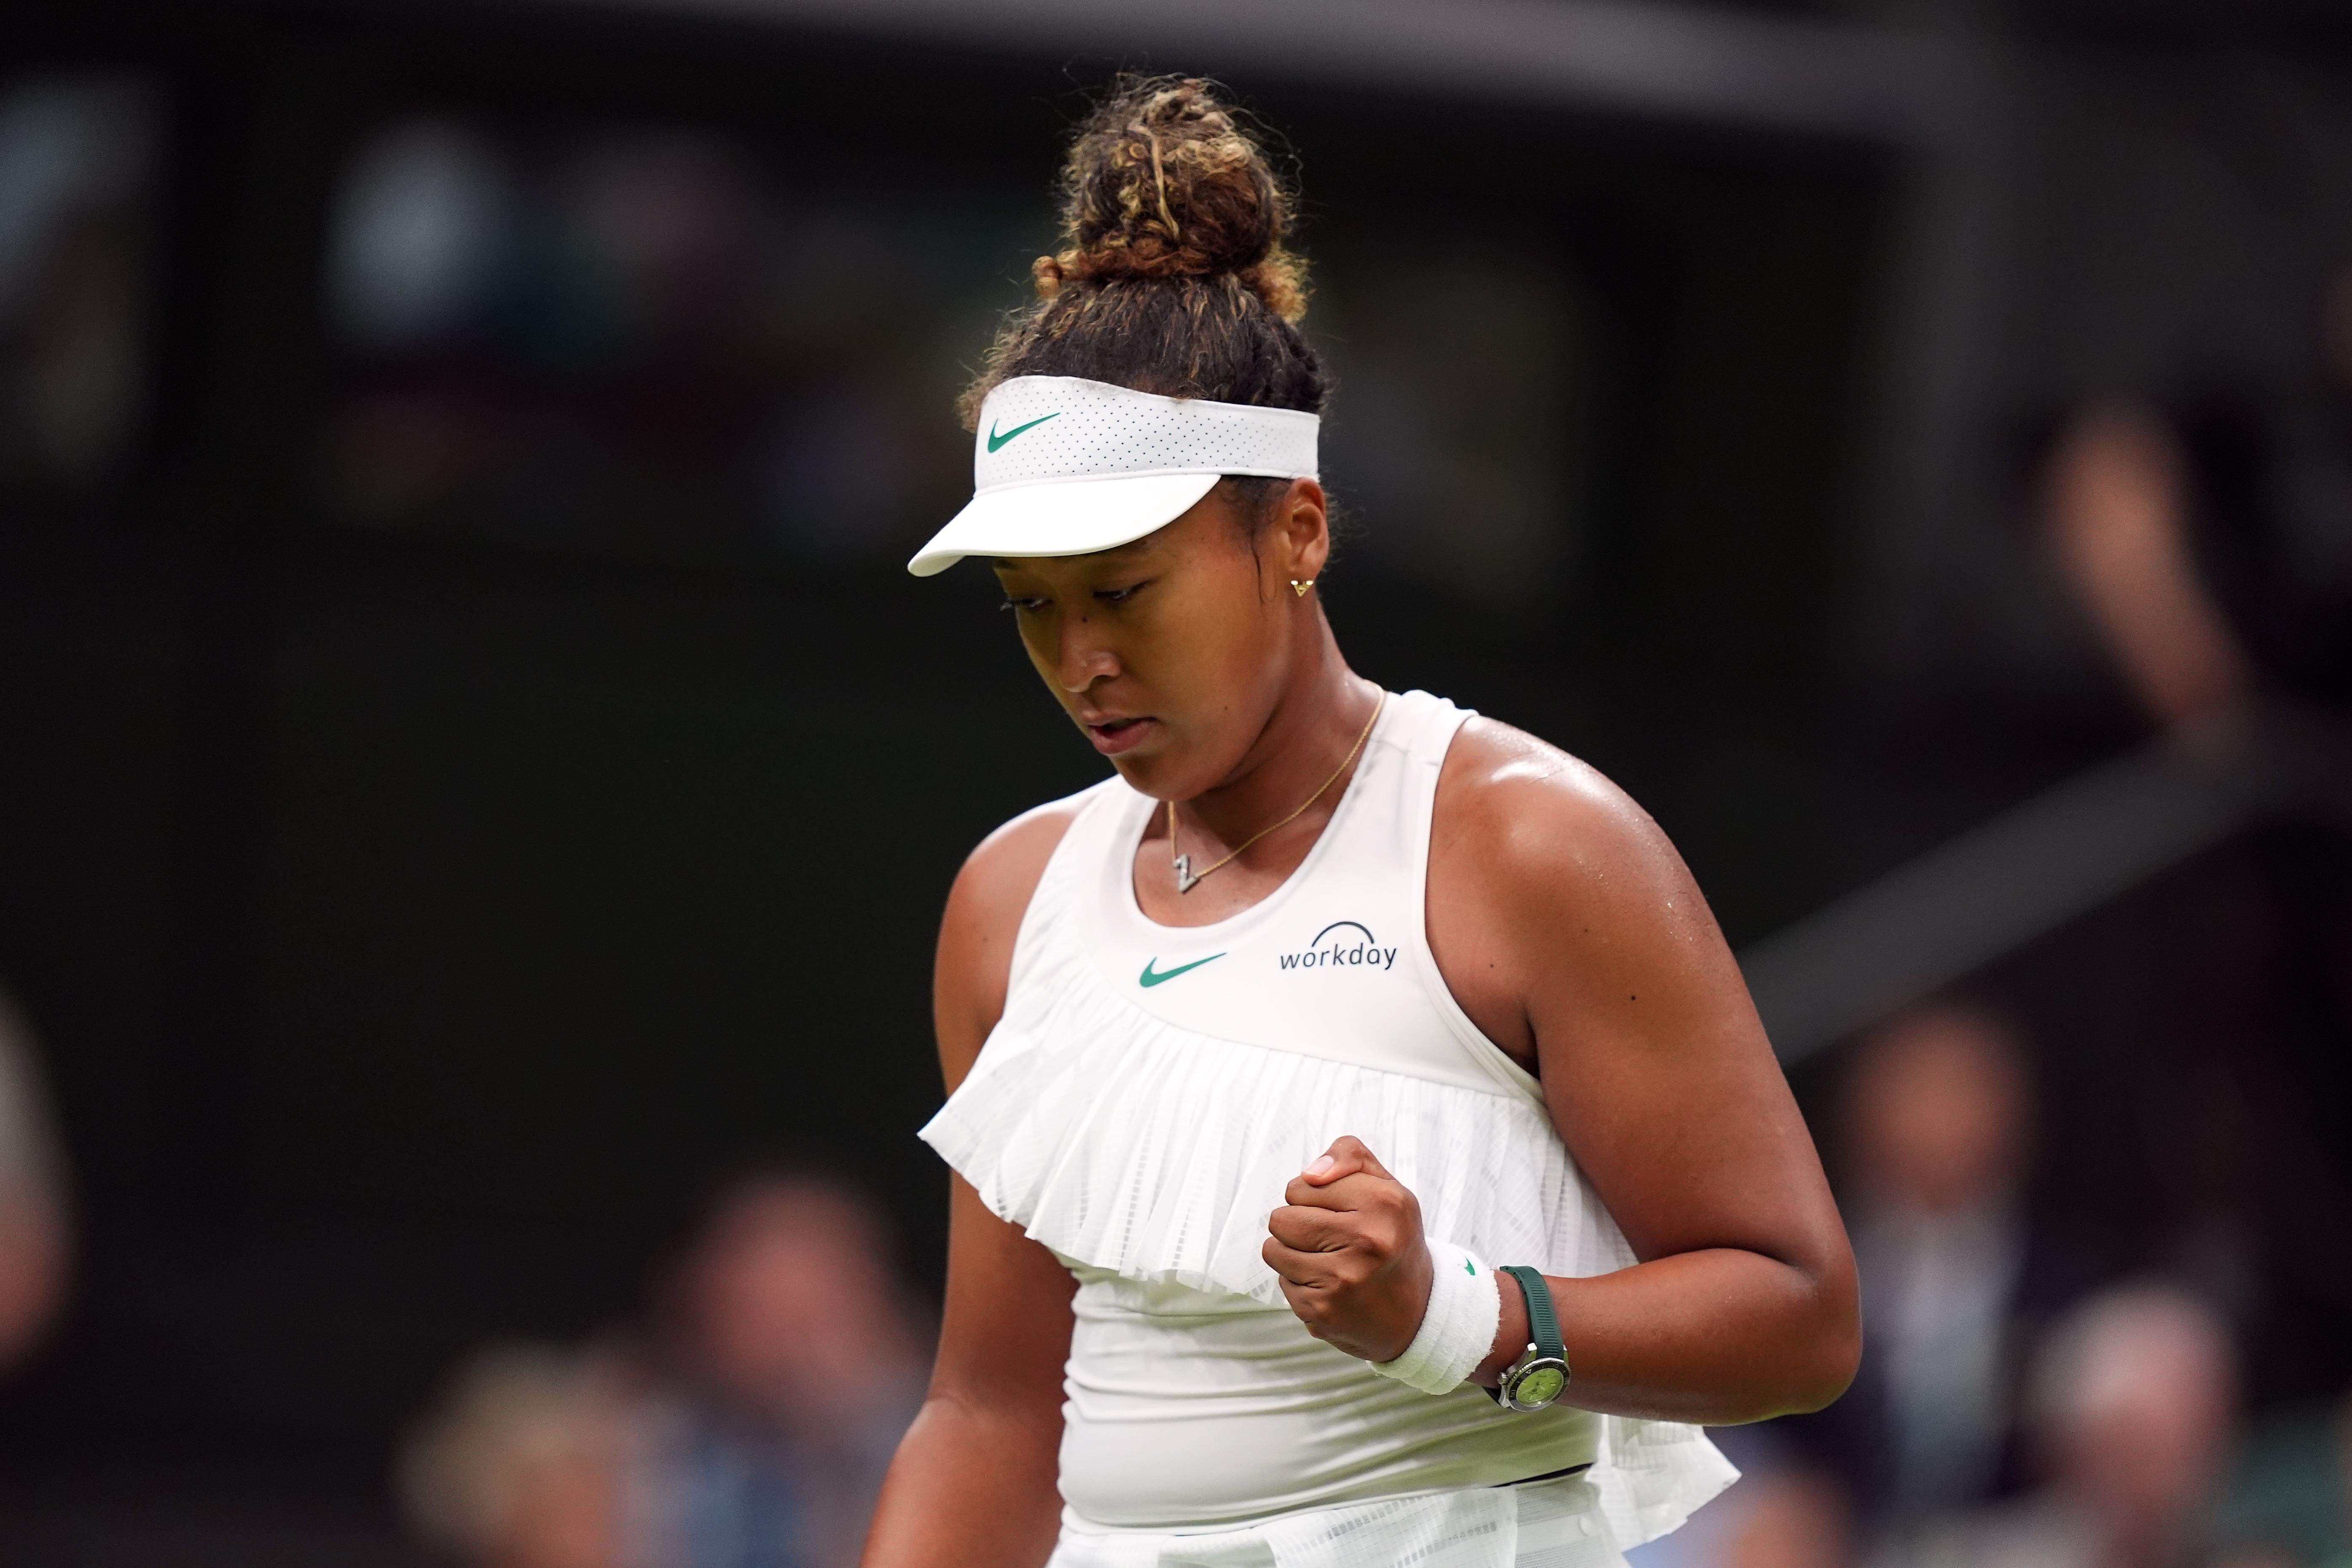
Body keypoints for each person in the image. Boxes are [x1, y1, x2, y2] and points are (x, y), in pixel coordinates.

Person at [859, 78, 1860, 1568]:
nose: (1084, 661)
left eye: (1126, 590)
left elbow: (1801, 1316)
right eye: (1035, 609)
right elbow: (993, 1418)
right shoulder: (1011, 902)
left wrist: (1461, 1317)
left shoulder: (1534, 847)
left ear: (1300, 532)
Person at [1896, 1285, 2240, 1568]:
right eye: (2116, 1451)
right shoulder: (1970, 1558)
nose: (2134, 1482)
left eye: (2153, 1455)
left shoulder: (2253, 1553)